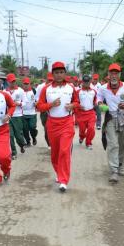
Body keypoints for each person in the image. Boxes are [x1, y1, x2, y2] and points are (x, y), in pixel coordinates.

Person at [37, 61, 79, 192]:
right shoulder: (46, 89)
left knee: (65, 151)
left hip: (66, 123)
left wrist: (72, 106)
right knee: (55, 153)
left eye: (61, 72)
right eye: (56, 73)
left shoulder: (71, 88)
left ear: (65, 73)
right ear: (52, 74)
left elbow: (77, 102)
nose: (59, 75)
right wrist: (51, 105)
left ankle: (63, 180)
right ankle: (58, 172)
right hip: (52, 123)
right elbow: (39, 106)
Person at [97, 63, 124, 183]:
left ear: (119, 75)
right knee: (113, 144)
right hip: (111, 118)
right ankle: (114, 170)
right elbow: (98, 97)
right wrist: (100, 104)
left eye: (116, 73)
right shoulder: (103, 88)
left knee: (122, 144)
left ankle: (120, 165)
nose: (114, 75)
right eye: (112, 73)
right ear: (108, 75)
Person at [6, 73, 27, 159]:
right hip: (8, 116)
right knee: (10, 136)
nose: (13, 83)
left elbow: (25, 102)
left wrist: (20, 103)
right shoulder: (4, 92)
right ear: (8, 82)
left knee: (18, 135)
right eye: (11, 81)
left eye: (14, 81)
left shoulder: (20, 91)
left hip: (18, 115)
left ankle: (22, 145)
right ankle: (13, 152)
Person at [76, 74, 97, 149]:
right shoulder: (78, 92)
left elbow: (95, 101)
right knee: (82, 130)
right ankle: (81, 136)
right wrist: (78, 106)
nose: (86, 83)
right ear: (82, 82)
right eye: (85, 82)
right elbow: (75, 102)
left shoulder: (94, 91)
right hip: (81, 114)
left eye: (88, 82)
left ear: (90, 82)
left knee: (91, 128)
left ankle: (88, 143)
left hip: (91, 113)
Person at [35, 73, 53, 149]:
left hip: (53, 111)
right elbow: (37, 98)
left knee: (52, 128)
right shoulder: (40, 87)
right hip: (44, 111)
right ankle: (49, 144)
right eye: (49, 80)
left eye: (52, 80)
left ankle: (53, 143)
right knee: (46, 128)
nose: (50, 82)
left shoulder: (56, 87)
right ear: (46, 79)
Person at [21, 77, 38, 147]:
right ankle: (28, 142)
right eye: (24, 84)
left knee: (32, 127)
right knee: (25, 129)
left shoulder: (34, 91)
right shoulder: (20, 92)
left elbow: (38, 99)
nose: (26, 85)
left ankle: (34, 137)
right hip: (23, 113)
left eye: (27, 84)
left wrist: (37, 103)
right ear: (22, 85)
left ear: (30, 84)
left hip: (32, 113)